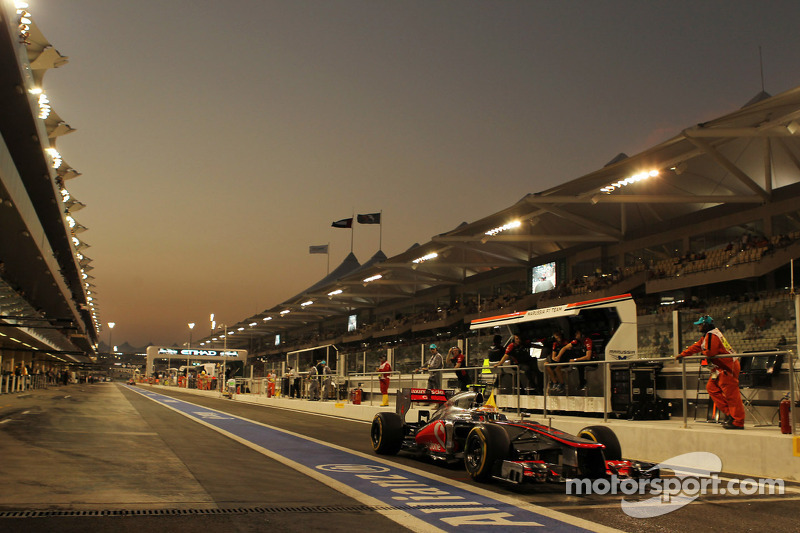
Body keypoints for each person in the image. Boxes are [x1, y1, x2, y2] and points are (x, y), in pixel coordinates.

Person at [676, 315, 745, 430]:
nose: (698, 327)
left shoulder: (712, 336)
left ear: (706, 325)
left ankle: (738, 421)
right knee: (711, 388)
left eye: (700, 325)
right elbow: (696, 347)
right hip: (721, 368)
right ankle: (730, 415)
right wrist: (683, 354)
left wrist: (702, 355)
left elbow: (710, 352)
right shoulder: (708, 336)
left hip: (728, 368)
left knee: (732, 396)